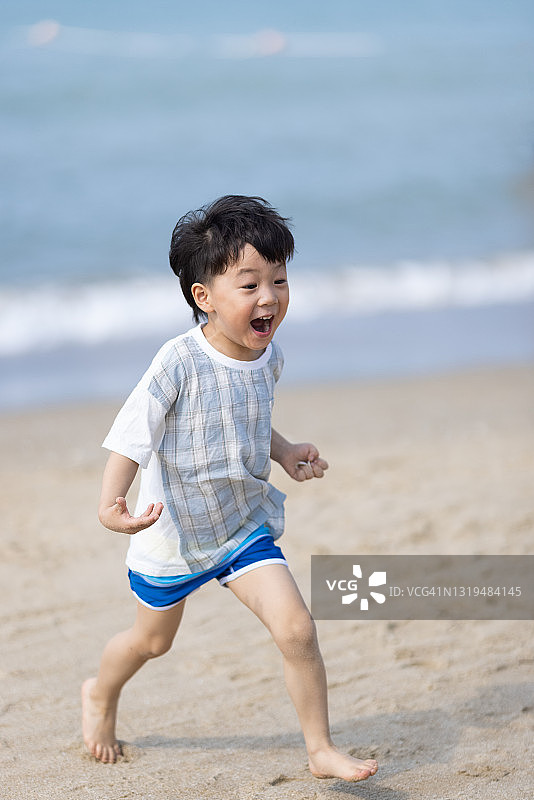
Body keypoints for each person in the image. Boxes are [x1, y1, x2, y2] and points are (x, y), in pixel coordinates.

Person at [82, 195, 378, 783]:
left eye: (279, 280)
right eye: (249, 285)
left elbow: (245, 419)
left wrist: (283, 451)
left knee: (297, 628)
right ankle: (99, 692)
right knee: (151, 643)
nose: (269, 297)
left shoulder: (268, 356)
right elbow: (132, 435)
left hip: (240, 525)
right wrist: (111, 504)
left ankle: (320, 749)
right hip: (172, 534)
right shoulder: (177, 362)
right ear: (205, 297)